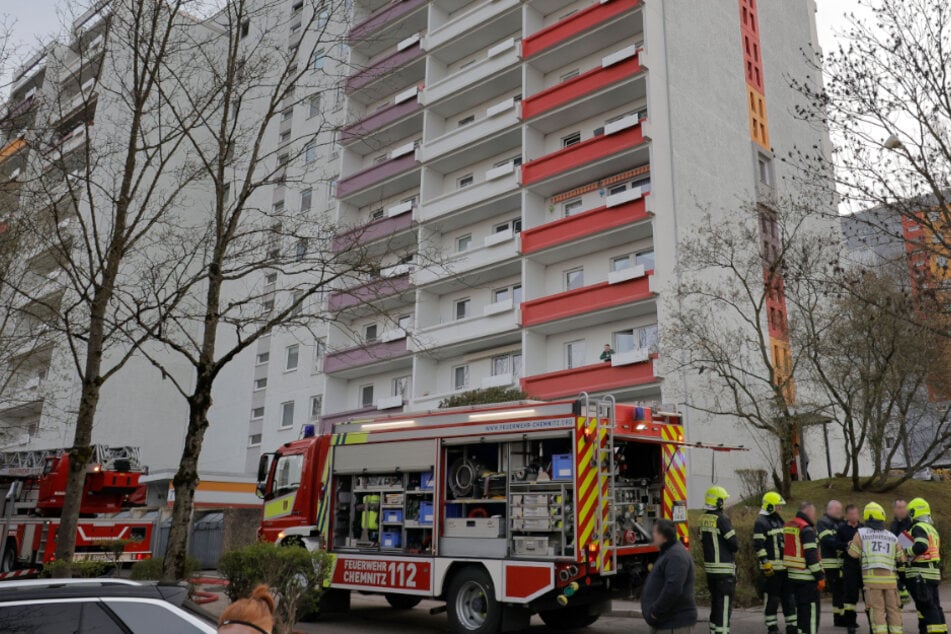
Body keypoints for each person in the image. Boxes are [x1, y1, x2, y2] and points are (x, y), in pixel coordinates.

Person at [848, 502, 903, 634]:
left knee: (877, 611)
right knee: (893, 610)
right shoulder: (892, 536)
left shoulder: (860, 534)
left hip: (872, 582)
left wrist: (850, 544)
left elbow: (853, 554)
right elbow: (901, 558)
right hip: (891, 582)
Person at [642, 518, 698, 634]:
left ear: (663, 536)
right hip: (666, 623)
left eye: (655, 532)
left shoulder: (676, 556)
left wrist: (655, 612)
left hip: (674, 624)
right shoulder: (669, 553)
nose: (653, 535)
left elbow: (673, 588)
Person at [753, 491, 797, 634]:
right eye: (778, 506)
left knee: (788, 598)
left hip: (784, 568)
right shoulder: (760, 522)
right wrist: (765, 563)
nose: (780, 508)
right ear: (770, 506)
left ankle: (791, 625)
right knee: (772, 599)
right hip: (771, 569)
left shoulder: (778, 520)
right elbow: (758, 545)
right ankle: (772, 626)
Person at [700, 485, 738, 634]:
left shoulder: (703, 518)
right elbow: (734, 544)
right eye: (724, 501)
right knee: (723, 610)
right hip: (724, 572)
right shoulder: (722, 519)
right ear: (719, 502)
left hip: (711, 572)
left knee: (716, 606)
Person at [905, 497, 946, 634]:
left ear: (913, 512)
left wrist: (906, 551)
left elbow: (921, 546)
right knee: (934, 606)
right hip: (932, 573)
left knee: (928, 608)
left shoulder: (918, 527)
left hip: (921, 574)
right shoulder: (931, 528)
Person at [784, 501, 825, 634]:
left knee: (801, 616)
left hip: (793, 578)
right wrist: (819, 577)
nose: (814, 516)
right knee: (811, 619)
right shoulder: (807, 529)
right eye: (813, 513)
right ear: (808, 512)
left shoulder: (790, 525)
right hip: (808, 580)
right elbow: (811, 557)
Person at [816, 500, 845, 626]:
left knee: (841, 592)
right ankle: (838, 619)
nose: (840, 512)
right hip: (830, 564)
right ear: (830, 509)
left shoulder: (840, 523)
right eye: (837, 509)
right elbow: (827, 540)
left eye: (841, 509)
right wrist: (843, 546)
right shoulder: (823, 522)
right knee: (837, 592)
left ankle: (841, 618)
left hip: (840, 564)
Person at [836, 504, 863, 633]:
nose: (854, 516)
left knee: (868, 594)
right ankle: (850, 623)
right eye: (851, 514)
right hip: (850, 566)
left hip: (863, 565)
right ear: (847, 515)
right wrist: (845, 545)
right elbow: (836, 544)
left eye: (856, 513)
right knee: (850, 595)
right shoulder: (841, 529)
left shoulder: (863, 528)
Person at [889, 498, 912, 606]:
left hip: (909, 560)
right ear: (894, 509)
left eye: (904, 507)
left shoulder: (911, 523)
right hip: (896, 561)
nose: (902, 510)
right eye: (899, 508)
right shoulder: (893, 524)